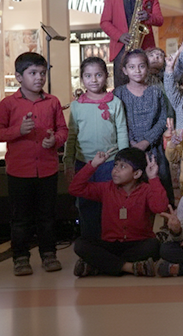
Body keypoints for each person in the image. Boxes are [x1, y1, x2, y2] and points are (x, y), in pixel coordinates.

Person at [0, 52, 68, 276]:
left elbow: (63, 130)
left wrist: (55, 140)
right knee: (20, 219)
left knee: (47, 216)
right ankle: (21, 258)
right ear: (18, 77)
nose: (39, 78)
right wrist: (18, 131)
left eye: (42, 73)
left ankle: (49, 254)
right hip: (19, 171)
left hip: (47, 169)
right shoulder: (8, 104)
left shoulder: (53, 102)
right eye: (32, 73)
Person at [70, 148, 168, 277]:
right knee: (80, 244)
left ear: (137, 174)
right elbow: (75, 189)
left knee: (154, 246)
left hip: (137, 243)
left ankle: (99, 266)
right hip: (110, 244)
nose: (116, 170)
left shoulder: (146, 189)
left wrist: (153, 178)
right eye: (115, 165)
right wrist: (93, 165)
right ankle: (129, 267)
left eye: (123, 166)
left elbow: (160, 207)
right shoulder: (106, 188)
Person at [64, 57, 129, 240]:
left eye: (98, 75)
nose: (93, 80)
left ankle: (111, 242)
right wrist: (68, 163)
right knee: (86, 205)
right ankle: (90, 243)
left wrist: (124, 162)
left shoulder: (115, 103)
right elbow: (71, 136)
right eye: (88, 76)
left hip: (110, 164)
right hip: (83, 164)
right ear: (82, 78)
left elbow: (122, 132)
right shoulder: (76, 106)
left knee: (111, 204)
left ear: (106, 76)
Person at [113, 49, 171, 204]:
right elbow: (118, 121)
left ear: (147, 67)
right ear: (125, 70)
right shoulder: (118, 93)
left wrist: (146, 142)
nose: (137, 71)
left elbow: (162, 120)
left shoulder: (156, 92)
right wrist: (132, 143)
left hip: (154, 150)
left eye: (141, 66)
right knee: (133, 192)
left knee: (159, 189)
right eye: (132, 67)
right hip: (128, 149)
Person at [100, 0, 163, 86]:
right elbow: (104, 22)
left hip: (144, 47)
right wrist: (119, 36)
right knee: (121, 85)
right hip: (121, 47)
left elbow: (159, 20)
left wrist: (148, 17)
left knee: (147, 84)